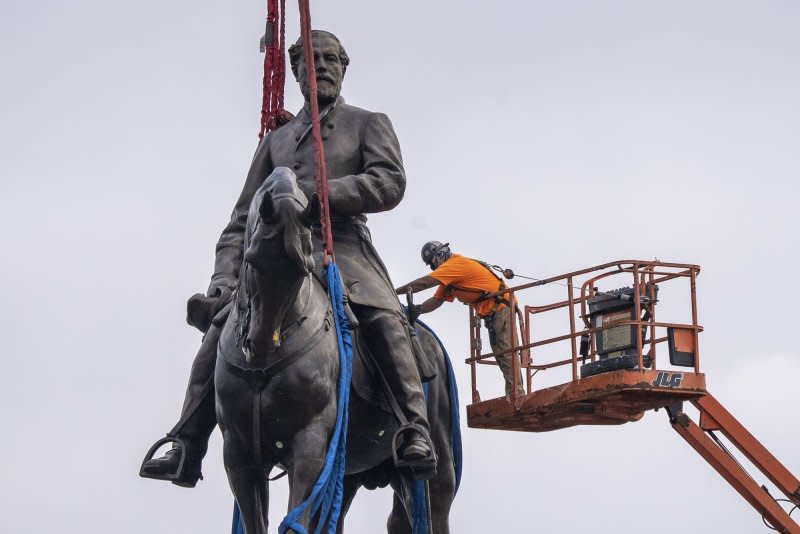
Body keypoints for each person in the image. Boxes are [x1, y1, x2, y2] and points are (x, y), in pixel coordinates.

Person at [141, 30, 434, 487]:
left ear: (343, 66)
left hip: (343, 249)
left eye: (330, 59)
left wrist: (319, 195)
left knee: (383, 317)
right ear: (296, 72)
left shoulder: (368, 122)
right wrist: (223, 281)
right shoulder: (275, 141)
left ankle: (414, 426)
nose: (321, 66)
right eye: (311, 60)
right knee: (220, 330)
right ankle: (186, 441)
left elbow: (388, 182)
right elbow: (242, 219)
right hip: (275, 253)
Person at [395, 241, 525, 399]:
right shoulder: (450, 275)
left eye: (432, 263)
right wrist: (417, 310)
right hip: (495, 312)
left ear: (440, 255)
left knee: (506, 353)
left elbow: (424, 283)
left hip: (501, 308)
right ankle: (514, 394)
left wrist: (393, 291)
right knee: (502, 354)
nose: (433, 268)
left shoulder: (454, 265)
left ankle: (517, 396)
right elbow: (436, 301)